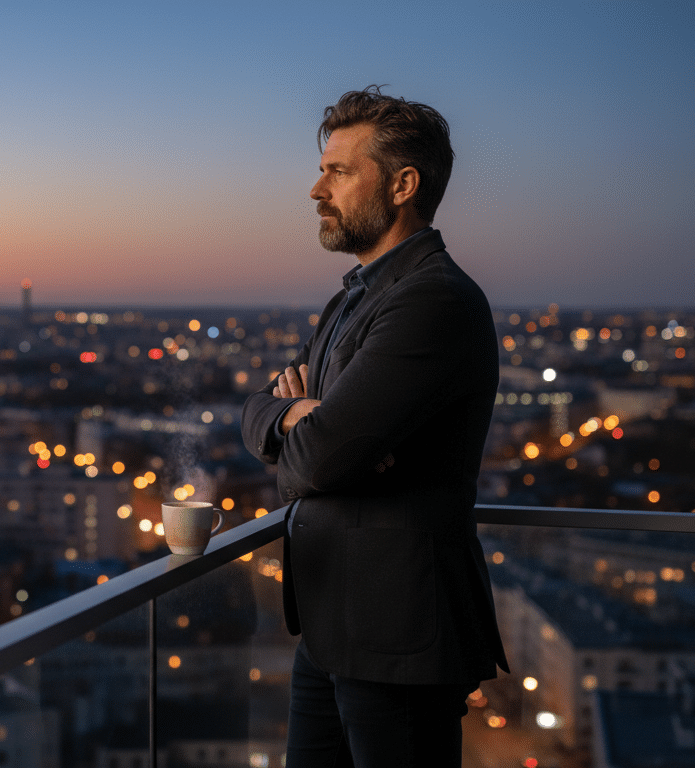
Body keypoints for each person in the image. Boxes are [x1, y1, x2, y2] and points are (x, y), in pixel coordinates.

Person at [241, 86, 508, 766]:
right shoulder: (354, 299)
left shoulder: (432, 301)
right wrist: (299, 417)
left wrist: (314, 435)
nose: (314, 189)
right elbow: (258, 412)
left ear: (401, 184)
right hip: (334, 630)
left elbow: (316, 464)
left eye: (337, 171)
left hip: (400, 640)